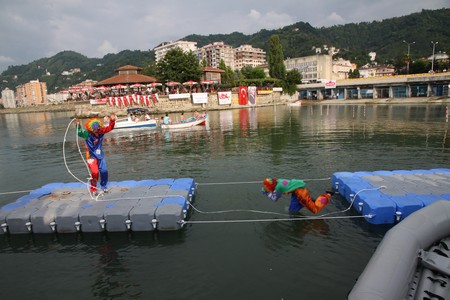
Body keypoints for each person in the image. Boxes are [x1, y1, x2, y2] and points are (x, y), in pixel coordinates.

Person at [75, 114, 116, 194]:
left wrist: (112, 120)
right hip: (91, 156)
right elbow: (79, 132)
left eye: (97, 129)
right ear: (91, 129)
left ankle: (104, 186)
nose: (96, 132)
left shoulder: (101, 131)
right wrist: (78, 125)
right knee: (95, 172)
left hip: (100, 156)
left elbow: (109, 128)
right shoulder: (87, 134)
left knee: (104, 171)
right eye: (95, 130)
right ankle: (93, 189)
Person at [261, 177, 333, 214]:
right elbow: (285, 186)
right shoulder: (278, 181)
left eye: (267, 186)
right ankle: (309, 201)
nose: (265, 187)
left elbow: (274, 198)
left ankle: (328, 195)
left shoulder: (278, 187)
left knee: (315, 209)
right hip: (296, 191)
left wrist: (266, 193)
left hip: (301, 193)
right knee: (292, 210)